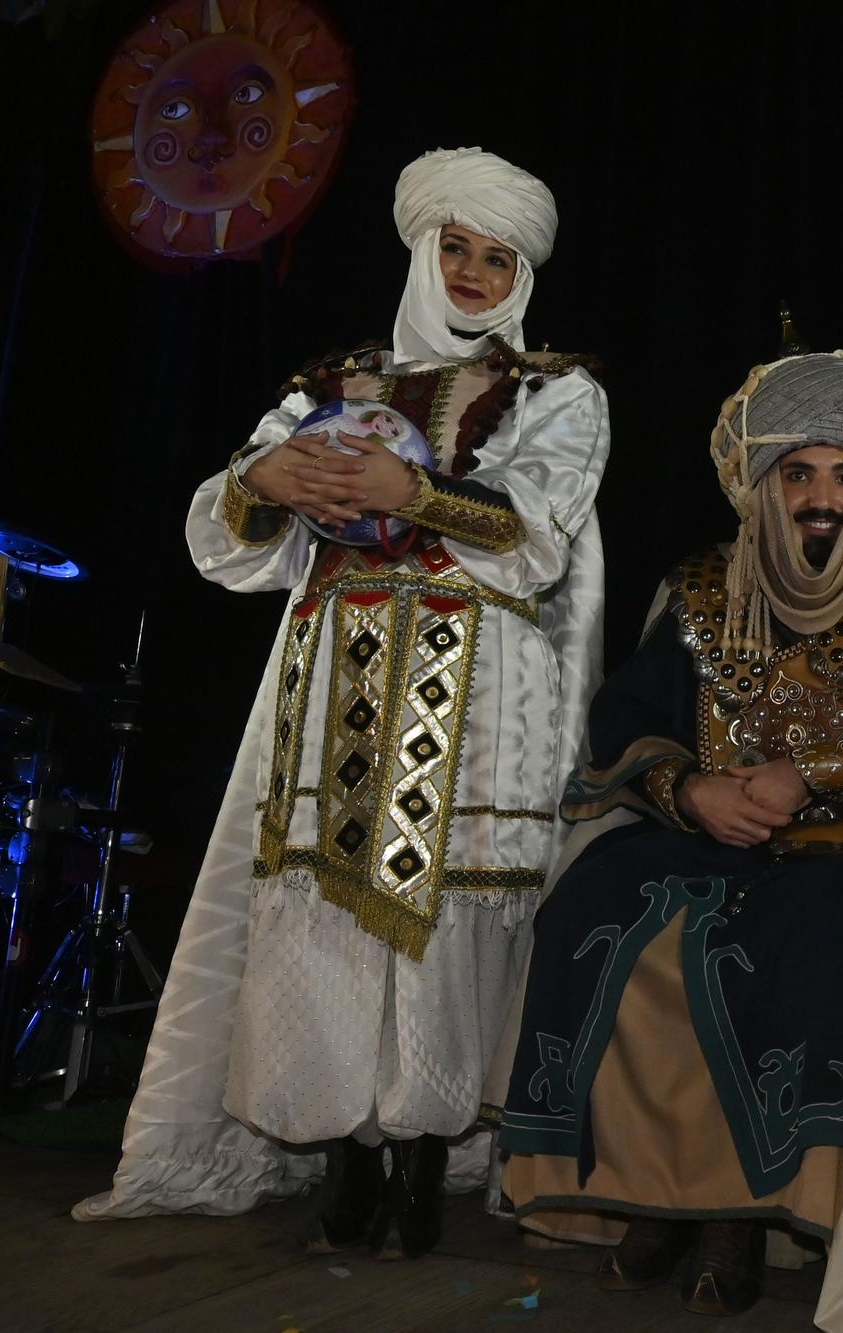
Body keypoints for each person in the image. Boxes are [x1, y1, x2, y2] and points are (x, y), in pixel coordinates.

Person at [73, 147, 611, 1263]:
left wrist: (411, 494)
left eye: (491, 256)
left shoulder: (559, 390)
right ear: (421, 252)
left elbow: (538, 534)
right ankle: (347, 1156)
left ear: (519, 273)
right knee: (329, 912)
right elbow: (233, 537)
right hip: (338, 678)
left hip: (472, 691)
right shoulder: (333, 384)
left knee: (437, 922)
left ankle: (421, 1157)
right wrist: (259, 484)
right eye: (451, 248)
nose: (468, 271)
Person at [496, 351, 843, 1317]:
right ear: (761, 482)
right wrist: (689, 787)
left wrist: (814, 772)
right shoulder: (699, 587)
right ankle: (648, 1189)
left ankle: (743, 1213)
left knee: (793, 934)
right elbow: (628, 719)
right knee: (598, 905)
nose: (820, 498)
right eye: (797, 473)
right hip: (699, 830)